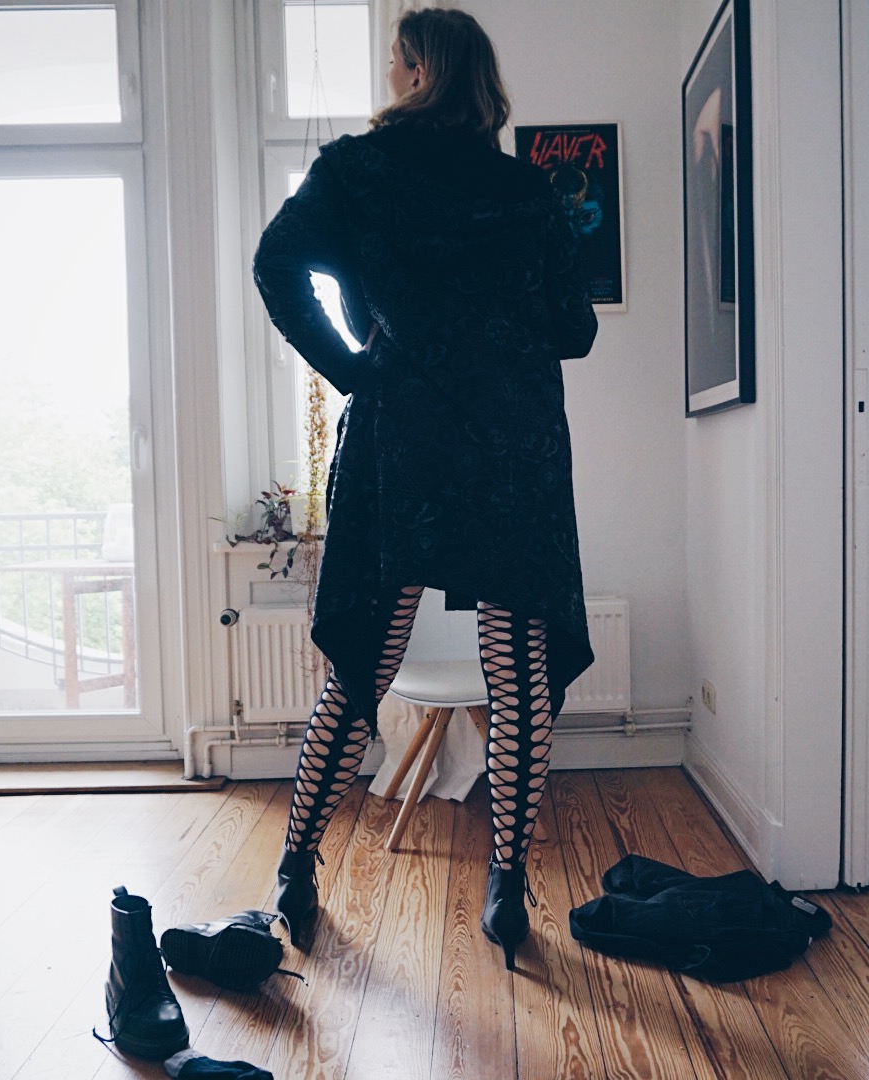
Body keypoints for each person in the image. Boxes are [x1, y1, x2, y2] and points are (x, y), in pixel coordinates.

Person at [251, 8, 597, 971]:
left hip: (401, 434)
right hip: (512, 443)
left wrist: (354, 364)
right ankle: (506, 890)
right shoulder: (527, 192)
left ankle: (294, 868)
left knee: (364, 657)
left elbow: (277, 264)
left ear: (415, 72)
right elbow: (574, 330)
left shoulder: (356, 173)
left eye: (393, 62)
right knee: (516, 665)